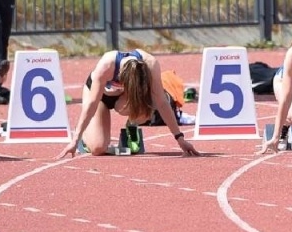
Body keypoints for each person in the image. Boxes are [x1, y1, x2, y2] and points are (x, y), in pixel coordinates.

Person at [56, 49, 200, 159]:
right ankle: (84, 134)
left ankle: (131, 126)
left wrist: (179, 138)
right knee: (98, 148)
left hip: (123, 99)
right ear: (121, 77)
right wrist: (75, 140)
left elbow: (162, 102)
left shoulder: (151, 64)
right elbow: (92, 104)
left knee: (149, 105)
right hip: (100, 98)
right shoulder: (106, 65)